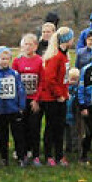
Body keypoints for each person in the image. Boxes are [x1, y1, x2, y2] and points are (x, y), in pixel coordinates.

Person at [38, 27, 72, 166]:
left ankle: (59, 155)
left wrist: (65, 92)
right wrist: (59, 94)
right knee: (51, 127)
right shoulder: (55, 57)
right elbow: (49, 79)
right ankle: (48, 155)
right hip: (51, 99)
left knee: (60, 127)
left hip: (62, 97)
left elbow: (64, 78)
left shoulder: (65, 56)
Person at [13, 33, 44, 165]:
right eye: (25, 44)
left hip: (34, 100)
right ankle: (23, 153)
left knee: (35, 127)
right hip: (21, 100)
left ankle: (36, 154)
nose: (27, 46)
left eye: (30, 44)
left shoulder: (39, 61)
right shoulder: (17, 61)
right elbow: (13, 81)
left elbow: (42, 82)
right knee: (22, 127)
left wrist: (36, 99)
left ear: (35, 46)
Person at [0, 47, 26, 167]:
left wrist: (21, 106)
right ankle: (4, 157)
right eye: (2, 59)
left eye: (7, 59)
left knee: (18, 135)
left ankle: (20, 157)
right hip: (0, 110)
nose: (4, 61)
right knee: (2, 136)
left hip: (14, 109)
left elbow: (21, 91)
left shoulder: (15, 74)